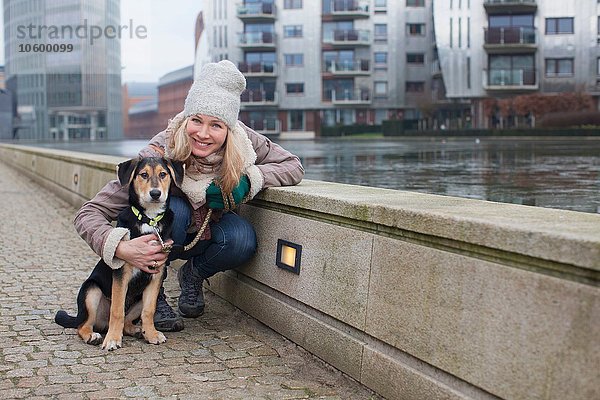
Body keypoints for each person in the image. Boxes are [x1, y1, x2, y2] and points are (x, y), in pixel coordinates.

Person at [74, 60, 304, 331]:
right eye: (196, 120)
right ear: (187, 118)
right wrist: (121, 247)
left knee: (242, 239)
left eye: (216, 125)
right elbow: (87, 214)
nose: (203, 134)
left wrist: (251, 180)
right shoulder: (160, 149)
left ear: (229, 128)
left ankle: (193, 276)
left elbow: (293, 166)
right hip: (169, 235)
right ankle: (153, 293)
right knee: (177, 210)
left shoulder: (245, 142)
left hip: (210, 234)